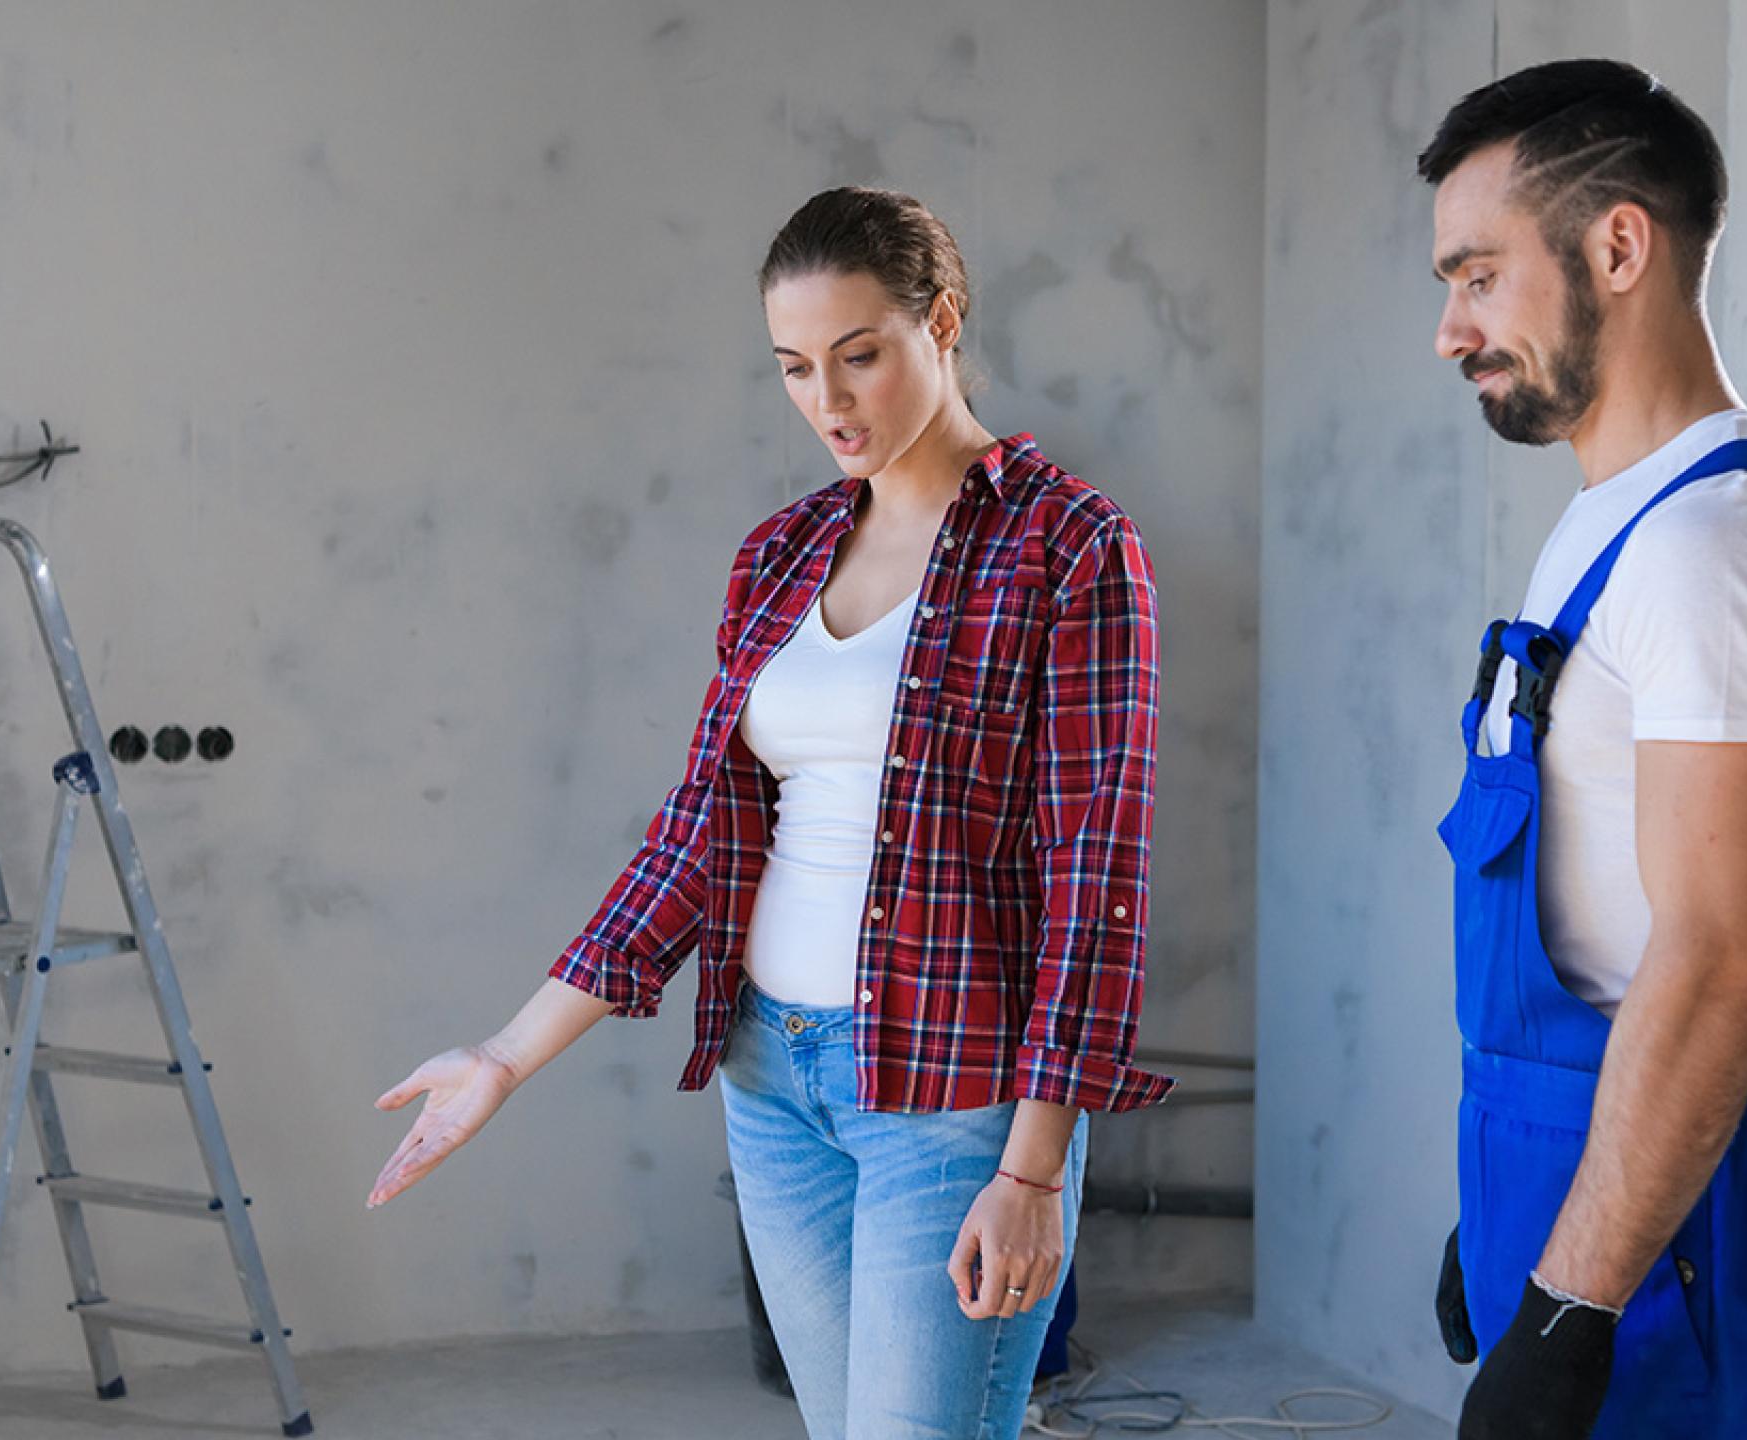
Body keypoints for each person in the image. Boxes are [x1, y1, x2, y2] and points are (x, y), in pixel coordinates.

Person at [367, 186, 1172, 1439]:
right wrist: (505, 1056)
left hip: (951, 1097)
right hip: (773, 1076)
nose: (828, 402)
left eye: (859, 356)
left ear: (941, 322)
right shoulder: (780, 553)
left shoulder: (1070, 547)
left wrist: (1032, 1167)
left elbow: (1096, 878)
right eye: (796, 367)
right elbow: (699, 833)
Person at [1417, 60, 1747, 1438]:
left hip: (1668, 1244)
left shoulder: (1719, 546)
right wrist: (1503, 1208)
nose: (1450, 330)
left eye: (1477, 275)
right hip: (1584, 1166)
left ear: (1617, 244)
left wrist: (1572, 1304)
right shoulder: (1623, 516)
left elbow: (1712, 964)